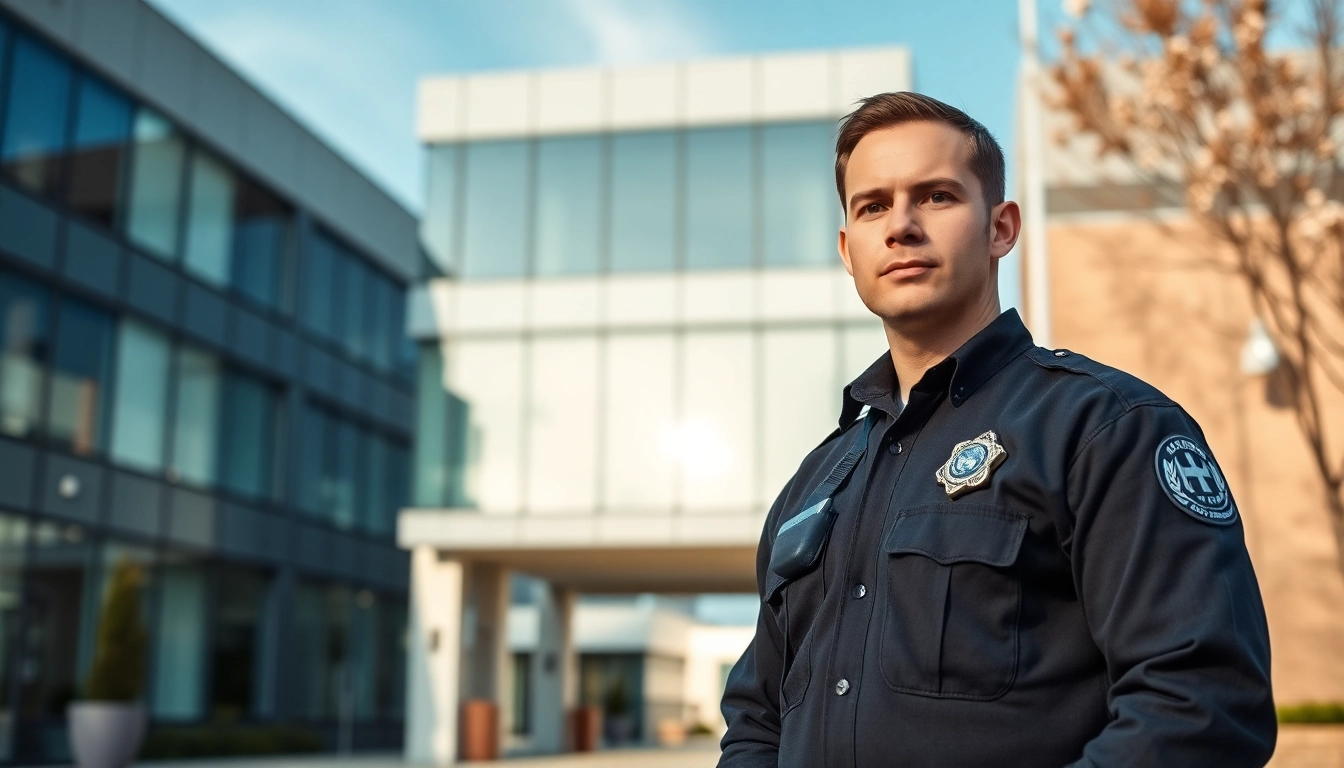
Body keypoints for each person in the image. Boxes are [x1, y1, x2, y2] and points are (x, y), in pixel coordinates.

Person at [717, 92, 1276, 768]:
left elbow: (1202, 704)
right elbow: (756, 723)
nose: (900, 226)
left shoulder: (1106, 428)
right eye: (872, 206)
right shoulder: (813, 486)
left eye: (936, 197)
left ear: (1001, 228)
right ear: (848, 249)